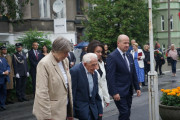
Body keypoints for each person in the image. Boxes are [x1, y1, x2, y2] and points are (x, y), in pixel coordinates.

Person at [33, 37, 73, 120]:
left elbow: (66, 86)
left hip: (64, 109)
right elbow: (42, 92)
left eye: (68, 52)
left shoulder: (65, 61)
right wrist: (46, 116)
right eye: (65, 52)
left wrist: (69, 111)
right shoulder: (44, 64)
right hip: (51, 113)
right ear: (56, 50)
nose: (67, 55)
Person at [106, 34, 141, 120]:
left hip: (128, 90)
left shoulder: (129, 55)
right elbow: (110, 76)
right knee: (124, 112)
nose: (127, 45)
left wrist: (137, 87)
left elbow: (133, 73)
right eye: (125, 43)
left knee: (127, 111)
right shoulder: (112, 57)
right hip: (119, 91)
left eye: (128, 43)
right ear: (118, 43)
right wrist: (114, 92)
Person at [70, 53, 103, 120]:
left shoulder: (95, 73)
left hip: (93, 109)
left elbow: (96, 94)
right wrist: (70, 113)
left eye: (96, 64)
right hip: (81, 109)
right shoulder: (75, 71)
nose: (96, 67)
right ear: (85, 64)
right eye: (93, 65)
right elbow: (72, 93)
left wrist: (100, 110)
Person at [87, 40, 110, 108]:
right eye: (98, 52)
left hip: (99, 99)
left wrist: (106, 97)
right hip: (89, 101)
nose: (100, 54)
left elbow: (103, 81)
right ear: (91, 51)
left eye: (101, 52)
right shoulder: (85, 65)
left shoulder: (101, 63)